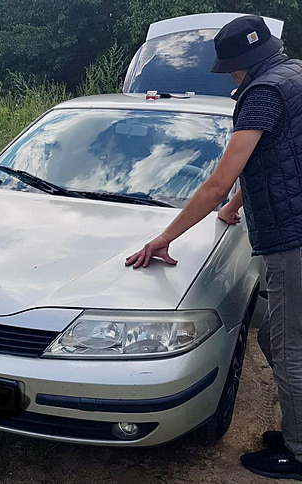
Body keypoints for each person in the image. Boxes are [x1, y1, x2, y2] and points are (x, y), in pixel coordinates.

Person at [125, 14, 302, 481]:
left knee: (287, 349)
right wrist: (237, 205)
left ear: (243, 65)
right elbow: (282, 154)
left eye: (232, 69)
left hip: (293, 240)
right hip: (293, 226)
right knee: (277, 339)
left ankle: (298, 452)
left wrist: (163, 238)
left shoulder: (263, 95)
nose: (233, 76)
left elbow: (217, 181)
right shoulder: (294, 76)